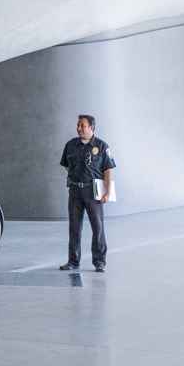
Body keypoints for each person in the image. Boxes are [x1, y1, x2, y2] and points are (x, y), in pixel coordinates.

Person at [59, 114, 115, 273]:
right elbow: (66, 165)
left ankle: (99, 262)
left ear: (91, 127)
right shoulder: (71, 145)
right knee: (74, 227)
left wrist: (107, 192)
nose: (78, 128)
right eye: (78, 125)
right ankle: (73, 261)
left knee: (97, 227)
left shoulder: (102, 146)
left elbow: (107, 170)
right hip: (75, 191)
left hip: (93, 191)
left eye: (82, 126)